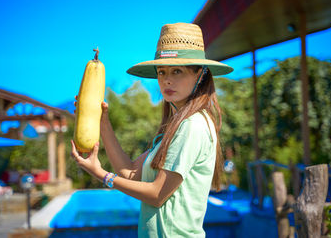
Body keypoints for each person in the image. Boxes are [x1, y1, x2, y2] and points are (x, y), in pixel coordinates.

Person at [71, 23, 233, 237]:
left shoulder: (193, 124)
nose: (167, 79)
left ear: (199, 74)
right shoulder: (176, 127)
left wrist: (102, 175)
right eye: (162, 71)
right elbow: (129, 172)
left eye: (177, 71)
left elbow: (157, 194)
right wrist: (103, 122)